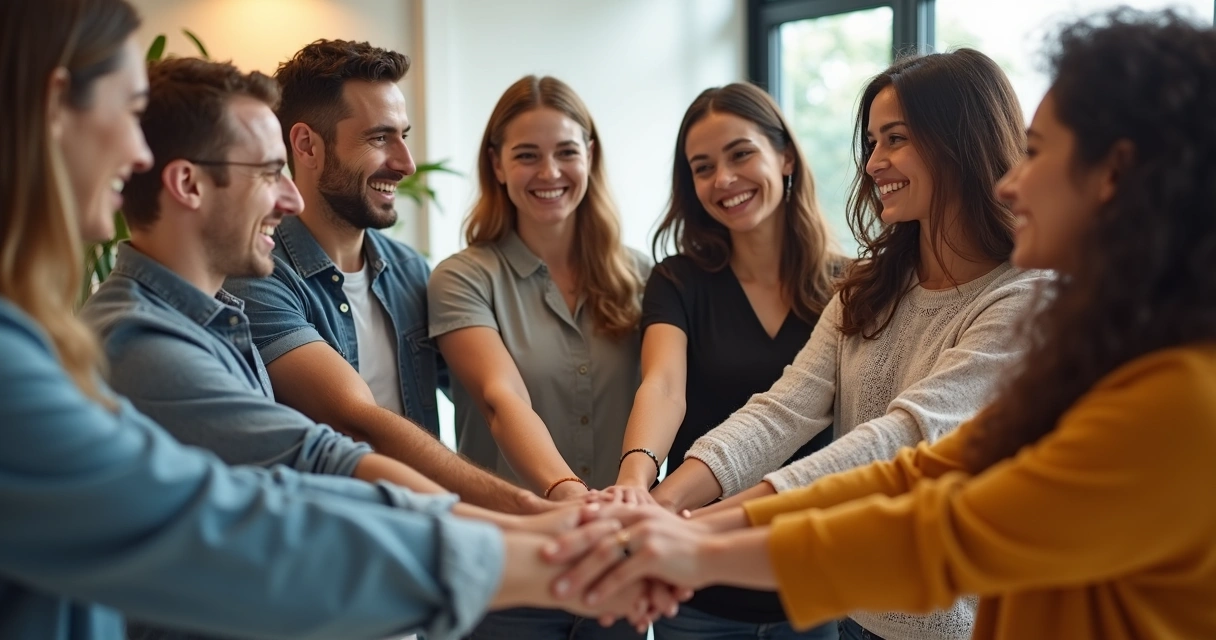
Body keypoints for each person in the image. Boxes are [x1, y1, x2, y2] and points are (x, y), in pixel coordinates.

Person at [0, 1, 677, 637]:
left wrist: (573, 519)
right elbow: (307, 468)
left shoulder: (299, 298)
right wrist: (546, 535)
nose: (138, 152)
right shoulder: (148, 333)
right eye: (128, 110)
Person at [545, 8, 1216, 640]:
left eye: (1035, 152)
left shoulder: (1163, 389)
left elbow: (929, 508)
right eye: (873, 142)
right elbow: (875, 453)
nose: (1013, 183)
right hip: (857, 615)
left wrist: (697, 543)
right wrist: (677, 522)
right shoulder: (888, 287)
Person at [651, 48, 1049, 640]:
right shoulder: (869, 287)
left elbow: (899, 441)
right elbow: (780, 412)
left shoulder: (1026, 296)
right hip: (855, 610)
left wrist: (700, 530)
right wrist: (660, 504)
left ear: (960, 142)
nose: (874, 163)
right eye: (872, 142)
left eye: (896, 139)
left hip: (958, 623)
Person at [223, 40, 544, 514]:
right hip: (336, 551)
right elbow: (358, 420)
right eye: (378, 138)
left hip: (431, 540)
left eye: (403, 136)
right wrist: (529, 511)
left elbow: (491, 394)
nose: (405, 163)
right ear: (306, 145)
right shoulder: (257, 276)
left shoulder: (413, 273)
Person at [602, 82, 840, 640]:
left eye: (740, 154)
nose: (724, 181)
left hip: (816, 579)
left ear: (785, 157)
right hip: (699, 584)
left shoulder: (849, 287)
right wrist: (636, 482)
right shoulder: (679, 280)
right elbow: (663, 386)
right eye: (702, 167)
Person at [426, 75, 650, 639]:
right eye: (527, 156)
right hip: (509, 569)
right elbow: (503, 400)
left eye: (566, 152)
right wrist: (571, 499)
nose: (549, 173)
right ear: (497, 165)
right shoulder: (463, 278)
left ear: (590, 157)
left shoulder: (643, 278)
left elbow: (667, 395)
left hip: (620, 566)